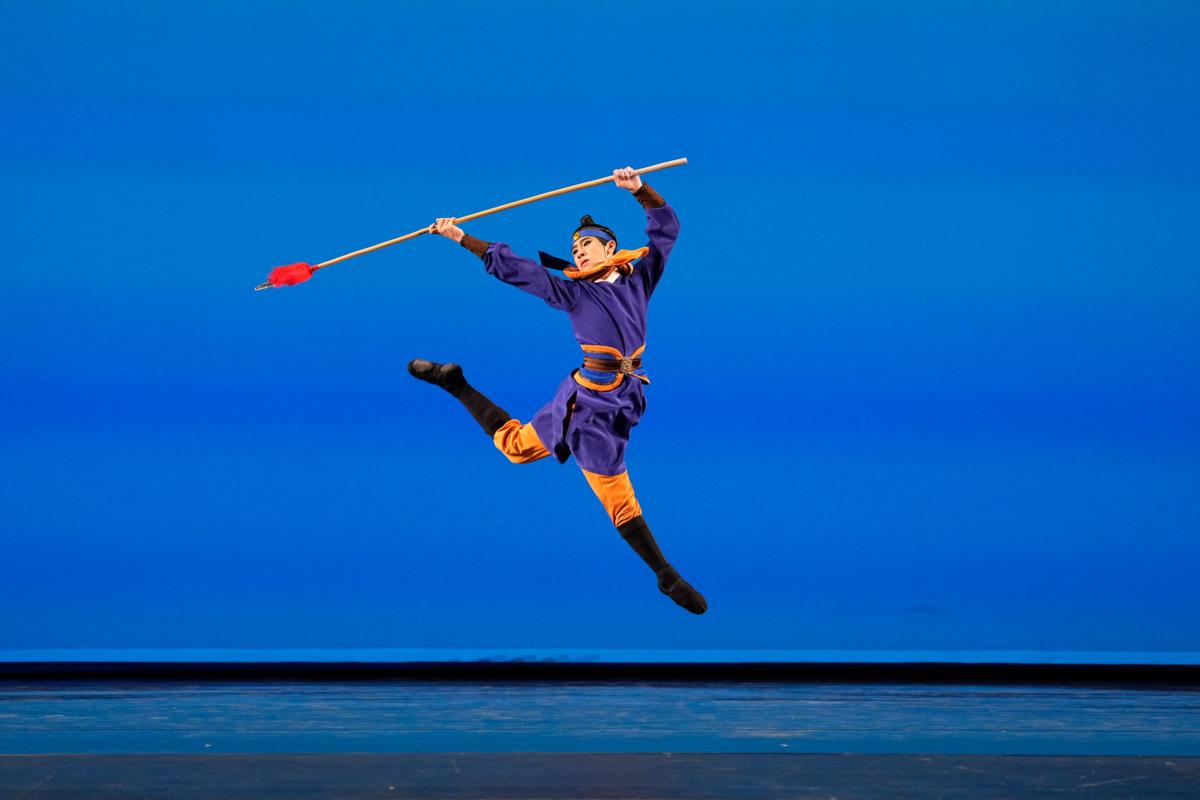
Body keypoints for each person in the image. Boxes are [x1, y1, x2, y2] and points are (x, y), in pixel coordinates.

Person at [410, 166, 706, 615]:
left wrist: (638, 189)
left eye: (586, 244)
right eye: (574, 249)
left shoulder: (638, 280)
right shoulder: (574, 293)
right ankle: (665, 574)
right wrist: (460, 237)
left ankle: (454, 381)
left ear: (609, 247)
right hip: (589, 406)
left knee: (515, 448)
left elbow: (666, 229)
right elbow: (520, 270)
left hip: (624, 394)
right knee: (615, 496)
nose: (579, 252)